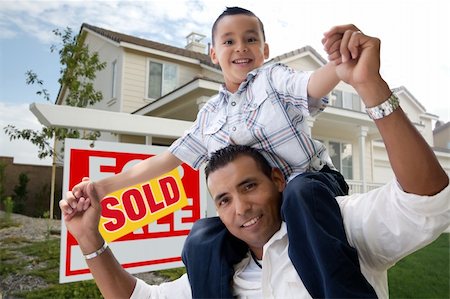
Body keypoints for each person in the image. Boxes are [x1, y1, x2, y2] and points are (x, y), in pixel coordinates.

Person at [60, 23, 450, 298]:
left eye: (251, 39)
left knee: (299, 195)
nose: (240, 47)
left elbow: (311, 84)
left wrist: (347, 68)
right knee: (201, 237)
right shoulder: (210, 116)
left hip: (312, 187)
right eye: (228, 41)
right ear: (213, 54)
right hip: (280, 196)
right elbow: (165, 161)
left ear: (264, 50)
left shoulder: (274, 80)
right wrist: (102, 187)